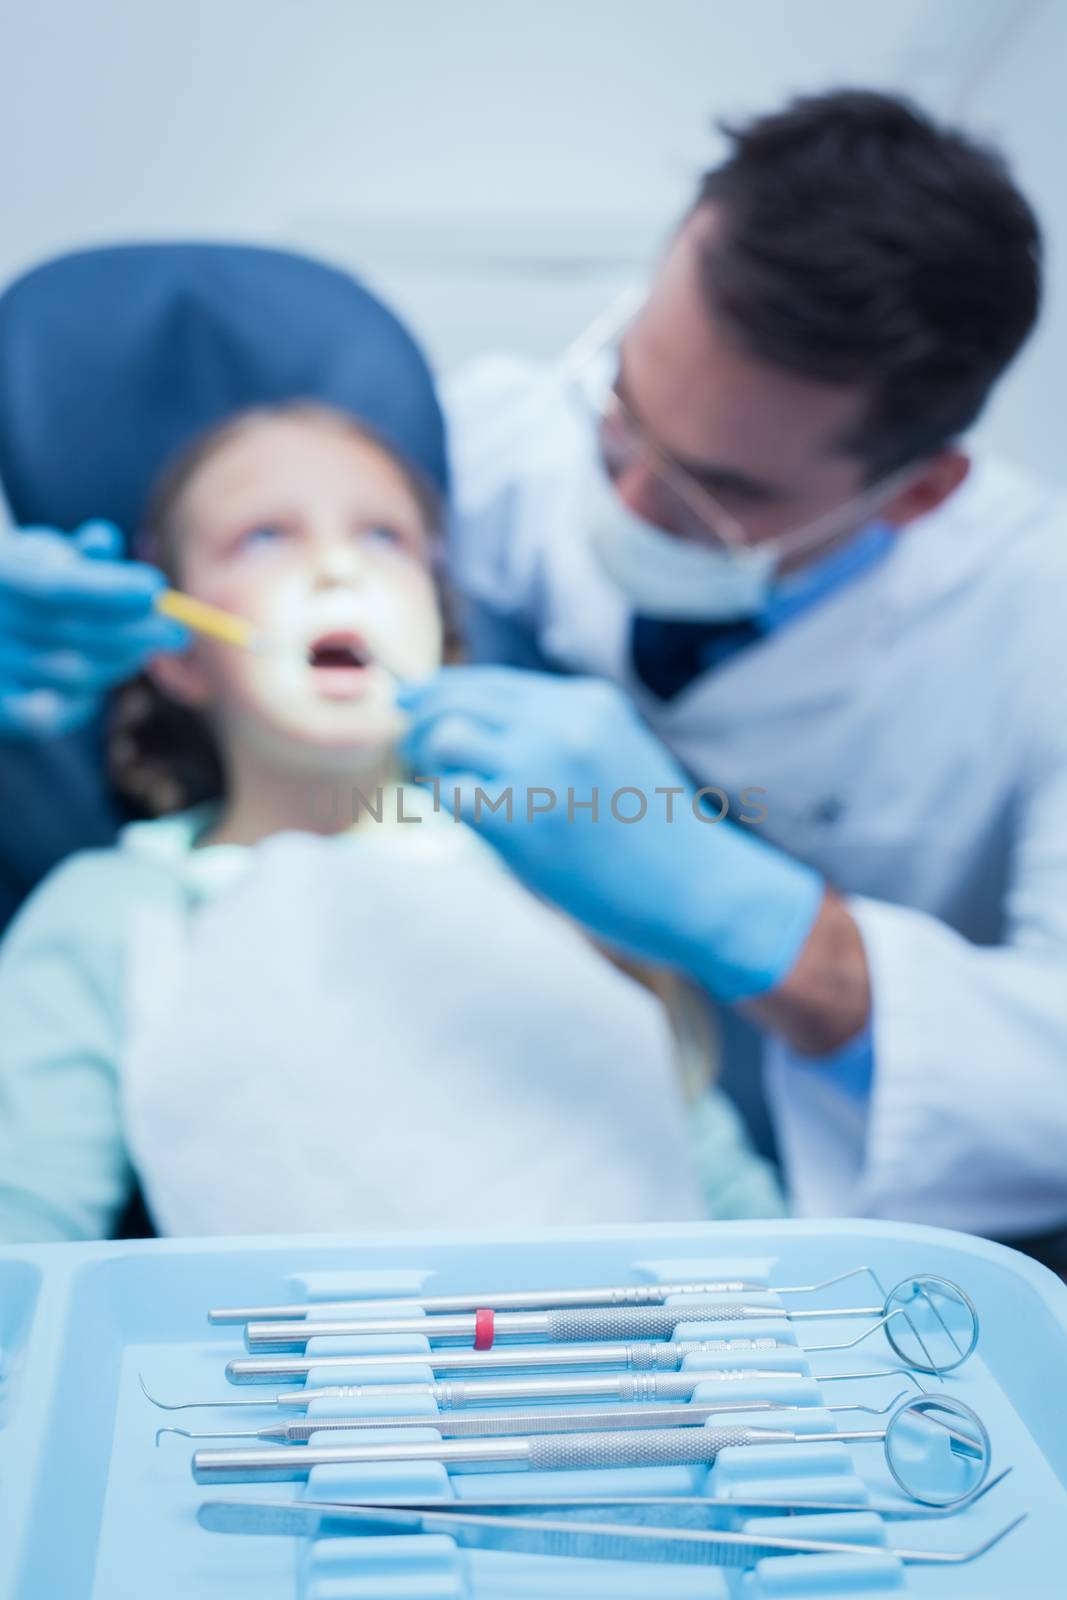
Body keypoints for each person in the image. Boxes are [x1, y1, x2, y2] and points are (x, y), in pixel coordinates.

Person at [397, 90, 1067, 1255]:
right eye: (623, 403)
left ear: (915, 493)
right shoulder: (518, 432)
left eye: (720, 494)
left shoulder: (1034, 618)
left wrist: (771, 933)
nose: (624, 498)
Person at [0, 396, 782, 1243]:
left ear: (441, 632)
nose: (339, 569)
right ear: (179, 656)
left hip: (660, 1357)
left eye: (384, 538)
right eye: (264, 537)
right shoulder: (113, 913)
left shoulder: (548, 861)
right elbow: (22, 1255)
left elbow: (724, 1197)